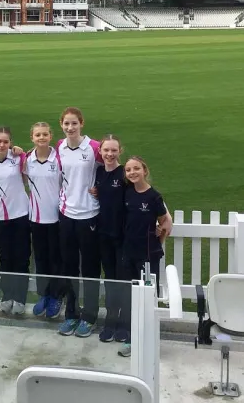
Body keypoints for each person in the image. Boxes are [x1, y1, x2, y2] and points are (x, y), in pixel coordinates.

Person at [118, 156, 173, 358]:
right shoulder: (127, 192)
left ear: (145, 170)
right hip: (129, 252)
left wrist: (159, 238)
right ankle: (132, 337)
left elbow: (164, 222)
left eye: (136, 169)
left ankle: (148, 338)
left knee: (149, 297)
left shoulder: (154, 197)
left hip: (148, 255)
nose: (132, 172)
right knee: (131, 295)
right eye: (128, 170)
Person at [56, 106, 102, 338]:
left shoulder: (94, 147)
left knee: (91, 268)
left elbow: (115, 171)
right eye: (66, 123)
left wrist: (100, 188)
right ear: (61, 125)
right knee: (69, 267)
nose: (70, 127)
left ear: (81, 123)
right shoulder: (60, 146)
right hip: (66, 214)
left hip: (89, 215)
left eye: (74, 123)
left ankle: (90, 315)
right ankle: (71, 314)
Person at [0, 126, 30, 315]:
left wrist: (22, 153)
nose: (2, 145)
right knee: (6, 258)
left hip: (21, 214)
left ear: (10, 143)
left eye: (6, 141)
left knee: (21, 258)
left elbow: (29, 176)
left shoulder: (18, 158)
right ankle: (7, 296)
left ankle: (20, 298)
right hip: (1, 216)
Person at [23, 122, 63, 320]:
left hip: (56, 217)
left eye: (45, 134)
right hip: (36, 217)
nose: (41, 138)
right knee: (40, 259)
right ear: (32, 137)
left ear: (50, 136)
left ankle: (56, 296)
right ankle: (44, 295)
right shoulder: (26, 159)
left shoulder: (59, 158)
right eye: (37, 135)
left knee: (56, 259)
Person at [92, 135, 126, 343]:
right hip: (104, 233)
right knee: (110, 278)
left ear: (120, 151)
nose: (110, 154)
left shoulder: (125, 173)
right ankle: (111, 320)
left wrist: (164, 215)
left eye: (114, 150)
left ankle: (124, 322)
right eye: (106, 150)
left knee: (123, 279)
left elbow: (144, 192)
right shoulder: (99, 172)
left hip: (122, 235)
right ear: (100, 151)